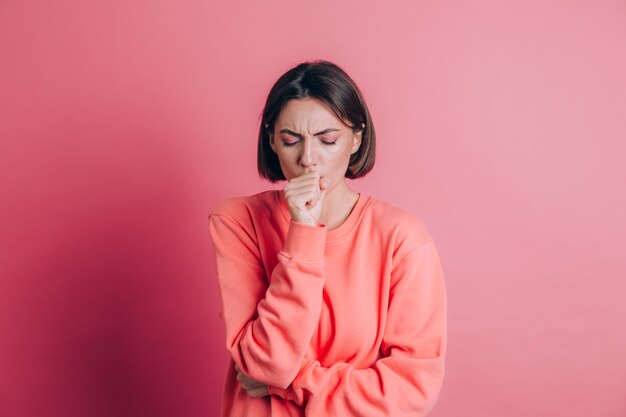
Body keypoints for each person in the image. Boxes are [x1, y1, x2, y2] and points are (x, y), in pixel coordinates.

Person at [207, 59, 447, 417]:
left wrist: (294, 381)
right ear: (272, 139)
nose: (308, 159)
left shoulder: (402, 238)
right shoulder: (237, 222)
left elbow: (411, 390)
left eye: (328, 140)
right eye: (291, 140)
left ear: (356, 139)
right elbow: (265, 363)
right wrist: (302, 231)